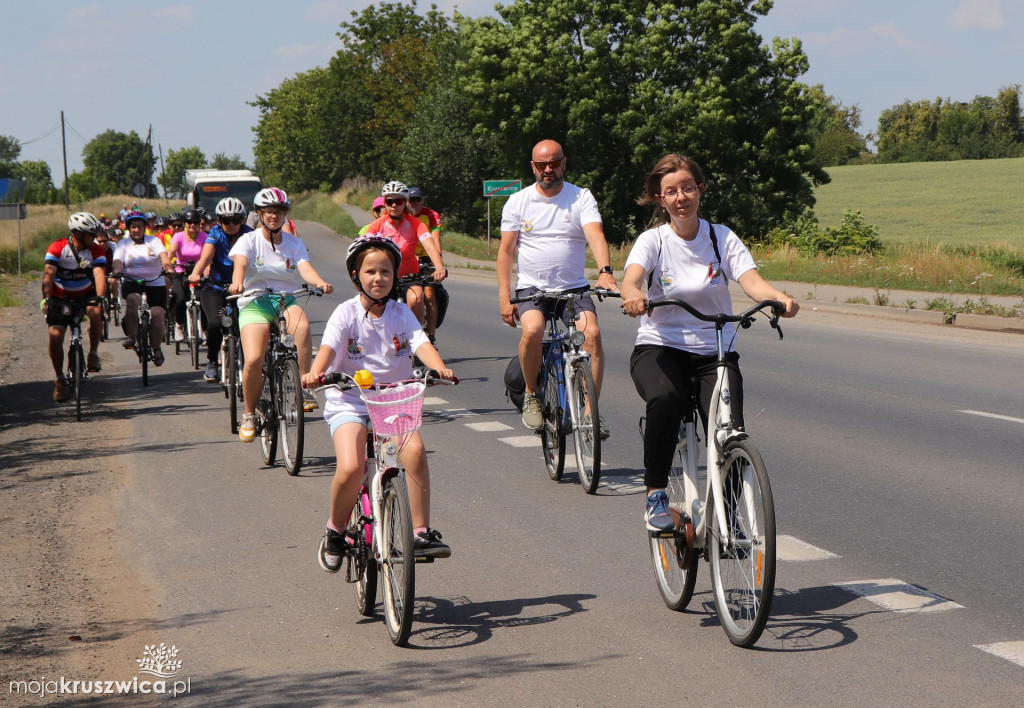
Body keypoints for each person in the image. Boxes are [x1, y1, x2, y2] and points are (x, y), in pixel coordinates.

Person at [619, 154, 799, 531]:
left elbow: (751, 281)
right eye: (671, 191)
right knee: (665, 401)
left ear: (700, 189)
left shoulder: (720, 237)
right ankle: (655, 495)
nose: (681, 197)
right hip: (660, 348)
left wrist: (779, 297)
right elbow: (631, 277)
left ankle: (730, 521)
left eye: (687, 187)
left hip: (714, 352)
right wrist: (633, 292)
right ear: (660, 198)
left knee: (729, 431)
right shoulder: (653, 241)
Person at [302, 236, 455, 569]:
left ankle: (420, 532)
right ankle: (335, 531)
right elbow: (327, 349)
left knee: (413, 452)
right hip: (350, 400)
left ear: (395, 275)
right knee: (351, 466)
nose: (378, 278)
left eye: (385, 271)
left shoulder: (402, 313)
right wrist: (315, 372)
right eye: (370, 271)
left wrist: (438, 366)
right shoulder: (345, 314)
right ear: (356, 274)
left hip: (394, 399)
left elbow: (421, 344)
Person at [498, 139, 619, 436]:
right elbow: (506, 251)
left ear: (564, 163)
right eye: (542, 165)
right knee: (532, 330)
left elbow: (596, 235)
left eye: (554, 163)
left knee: (592, 334)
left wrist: (604, 272)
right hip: (532, 290)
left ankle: (590, 414)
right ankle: (531, 394)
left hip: (573, 290)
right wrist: (504, 296)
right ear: (533, 167)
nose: (548, 169)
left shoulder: (580, 197)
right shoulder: (518, 201)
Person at [229, 187, 334, 442]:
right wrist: (237, 283)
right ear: (260, 214)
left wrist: (319, 282)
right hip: (255, 301)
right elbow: (240, 264)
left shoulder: (294, 243)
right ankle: (249, 414)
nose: (274, 216)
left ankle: (305, 387)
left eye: (279, 211)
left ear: (285, 214)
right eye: (268, 212)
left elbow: (305, 268)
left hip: (285, 299)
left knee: (303, 328)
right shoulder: (248, 240)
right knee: (254, 358)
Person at [42, 213, 109, 401]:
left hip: (84, 294)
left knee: (96, 311)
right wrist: (46, 299)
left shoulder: (95, 250)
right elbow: (48, 275)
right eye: (89, 234)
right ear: (76, 233)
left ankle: (93, 353)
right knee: (55, 336)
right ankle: (59, 379)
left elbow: (99, 274)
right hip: (59, 296)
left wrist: (101, 298)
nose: (93, 238)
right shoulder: (57, 248)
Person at [363, 181, 446, 327]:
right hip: (384, 276)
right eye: (390, 201)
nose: (394, 205)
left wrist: (439, 266)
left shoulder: (415, 223)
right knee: (371, 304)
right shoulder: (378, 224)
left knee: (416, 298)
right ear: (385, 204)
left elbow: (429, 245)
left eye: (398, 201)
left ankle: (418, 339)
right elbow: (362, 246)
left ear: (405, 203)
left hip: (410, 276)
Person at [189, 196, 254, 382]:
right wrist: (196, 273)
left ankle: (253, 362)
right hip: (216, 288)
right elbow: (205, 256)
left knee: (248, 326)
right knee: (215, 324)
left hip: (244, 289)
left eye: (236, 220)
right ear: (219, 221)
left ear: (242, 220)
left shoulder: (250, 235)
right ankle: (211, 362)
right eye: (226, 220)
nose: (231, 224)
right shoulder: (215, 234)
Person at [111, 211, 173, 365]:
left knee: (158, 313)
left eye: (139, 227)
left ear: (145, 227)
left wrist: (168, 267)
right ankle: (132, 336)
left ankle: (157, 349)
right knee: (133, 299)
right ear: (129, 229)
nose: (136, 230)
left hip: (154, 282)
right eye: (133, 227)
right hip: (132, 281)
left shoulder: (154, 241)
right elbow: (118, 260)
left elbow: (163, 256)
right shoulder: (123, 244)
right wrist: (117, 271)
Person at [407, 186, 446, 343]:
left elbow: (435, 238)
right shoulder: (403, 215)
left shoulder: (430, 215)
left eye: (418, 200)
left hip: (426, 258)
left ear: (423, 200)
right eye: (411, 200)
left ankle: (431, 336)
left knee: (429, 293)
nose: (415, 203)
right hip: (407, 258)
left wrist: (438, 264)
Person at [167, 208, 208, 342]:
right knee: (180, 299)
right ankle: (179, 325)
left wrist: (207, 268)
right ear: (185, 223)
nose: (192, 225)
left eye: (195, 222)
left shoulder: (204, 237)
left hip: (198, 272)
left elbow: (208, 256)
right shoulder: (178, 236)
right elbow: (171, 253)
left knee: (204, 300)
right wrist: (168, 266)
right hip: (180, 271)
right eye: (189, 222)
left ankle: (204, 328)